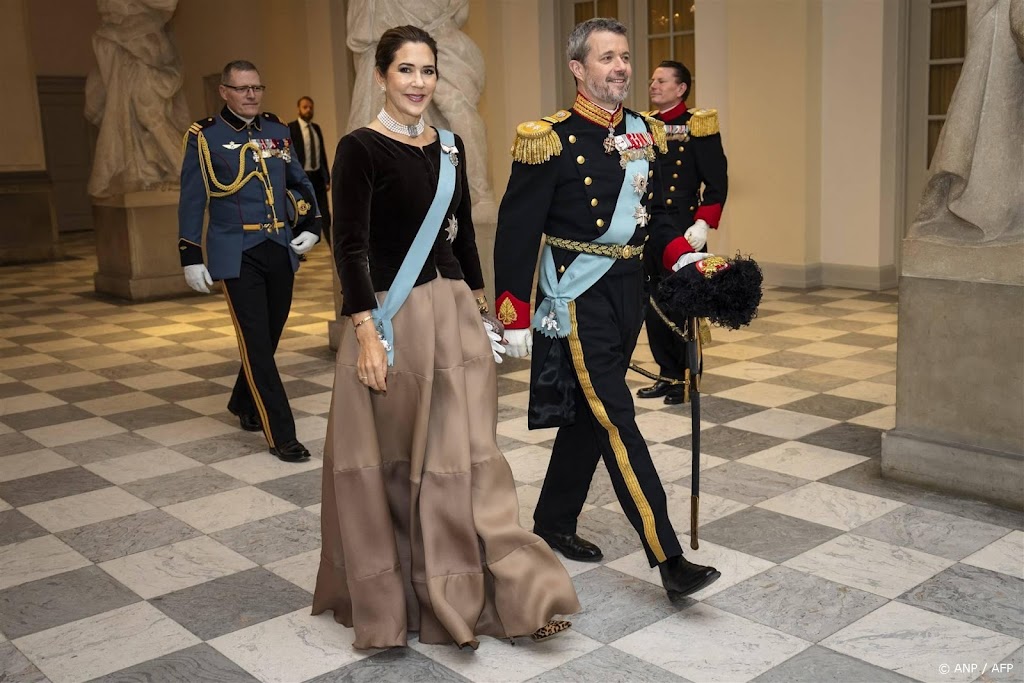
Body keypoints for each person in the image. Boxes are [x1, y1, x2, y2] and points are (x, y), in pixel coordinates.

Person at [312, 25, 579, 651]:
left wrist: (482, 311)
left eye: (427, 70)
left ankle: (508, 591)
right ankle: (402, 598)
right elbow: (349, 247)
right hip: (391, 321)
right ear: (382, 76)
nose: (418, 82)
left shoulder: (452, 148)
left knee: (469, 458)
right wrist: (366, 333)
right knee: (400, 465)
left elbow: (461, 240)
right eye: (405, 70)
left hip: (453, 315)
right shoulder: (359, 148)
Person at [493, 18, 720, 600]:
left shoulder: (645, 131)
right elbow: (516, 232)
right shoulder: (550, 138)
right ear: (578, 69)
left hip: (628, 292)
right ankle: (668, 556)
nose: (621, 67)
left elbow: (656, 218)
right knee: (617, 417)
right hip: (577, 294)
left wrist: (684, 259)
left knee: (590, 412)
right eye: (606, 58)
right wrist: (513, 313)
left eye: (624, 56)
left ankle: (553, 520)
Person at [178, 59, 322, 463]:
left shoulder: (277, 130)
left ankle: (242, 399)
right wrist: (191, 253)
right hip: (235, 251)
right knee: (256, 344)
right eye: (242, 88)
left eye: (257, 88)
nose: (251, 95)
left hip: (278, 244)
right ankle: (282, 435)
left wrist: (312, 223)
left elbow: (298, 180)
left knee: (269, 335)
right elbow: (192, 198)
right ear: (224, 91)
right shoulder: (205, 136)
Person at [636, 60, 728, 404]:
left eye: (662, 81)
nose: (654, 85)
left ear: (681, 88)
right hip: (648, 228)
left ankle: (687, 378)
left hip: (684, 229)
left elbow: (717, 183)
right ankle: (667, 374)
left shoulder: (698, 125)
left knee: (682, 306)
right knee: (653, 305)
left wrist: (703, 223)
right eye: (652, 80)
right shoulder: (643, 126)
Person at [288, 97, 332, 249]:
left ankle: (332, 247)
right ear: (298, 109)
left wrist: (327, 177)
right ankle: (298, 248)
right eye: (305, 107)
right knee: (301, 212)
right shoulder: (291, 128)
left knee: (325, 213)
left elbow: (321, 154)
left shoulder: (316, 128)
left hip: (317, 177)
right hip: (300, 178)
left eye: (311, 107)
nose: (308, 110)